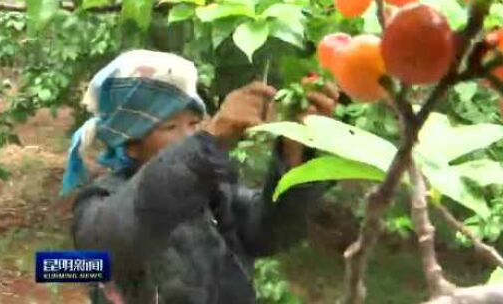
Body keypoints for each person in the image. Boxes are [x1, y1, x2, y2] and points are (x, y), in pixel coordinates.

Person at [62, 50, 339, 303]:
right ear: (131, 145)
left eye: (195, 124)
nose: (189, 135)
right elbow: (110, 244)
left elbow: (272, 232)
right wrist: (209, 140)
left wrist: (295, 152)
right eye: (170, 126)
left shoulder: (215, 195)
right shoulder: (97, 204)